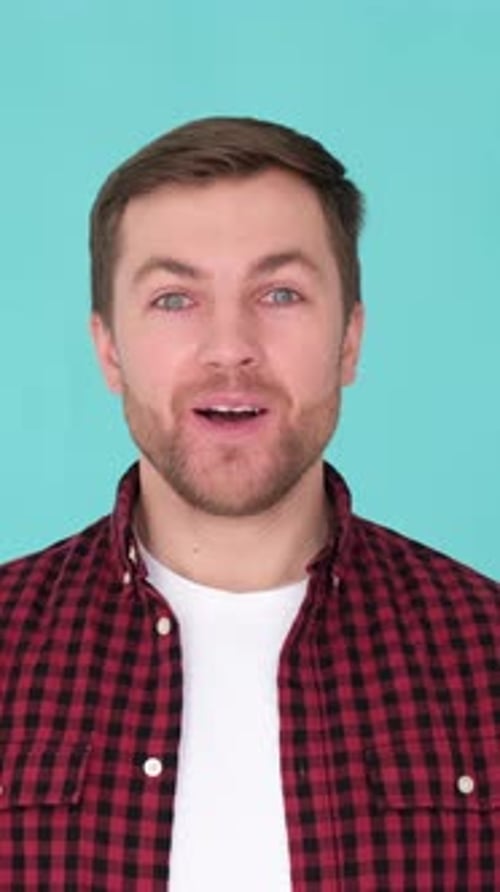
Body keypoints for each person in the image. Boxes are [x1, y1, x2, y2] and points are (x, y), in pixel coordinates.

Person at [1, 116, 498, 892]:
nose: (230, 345)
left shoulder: (486, 654)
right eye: (174, 299)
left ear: (349, 342)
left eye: (279, 293)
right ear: (108, 350)